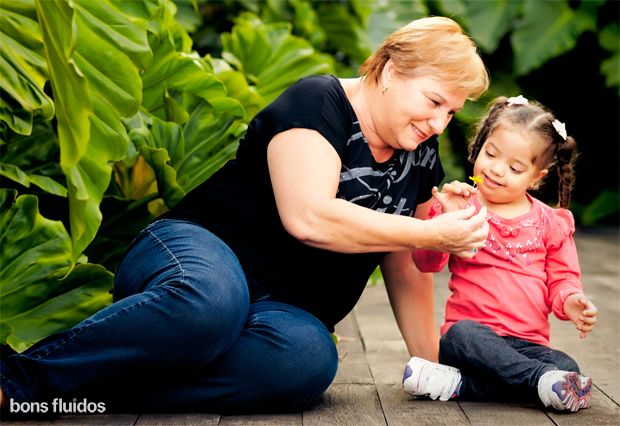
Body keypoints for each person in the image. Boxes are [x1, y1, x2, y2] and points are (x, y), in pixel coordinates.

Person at [0, 17, 490, 414]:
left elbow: (405, 261)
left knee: (306, 362)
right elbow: (309, 217)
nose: (437, 123)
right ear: (387, 72)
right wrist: (429, 231)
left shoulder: (420, 156)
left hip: (282, 312)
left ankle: (85, 392)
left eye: (451, 112)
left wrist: (430, 364)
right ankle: (16, 382)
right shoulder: (319, 100)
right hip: (200, 254)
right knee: (209, 304)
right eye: (433, 101)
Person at [401, 96, 598, 412]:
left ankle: (460, 384)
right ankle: (539, 381)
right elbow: (426, 264)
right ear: (480, 145)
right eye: (490, 153)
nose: (495, 169)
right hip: (471, 340)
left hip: (528, 346)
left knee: (566, 363)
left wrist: (571, 301)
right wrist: (441, 222)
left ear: (537, 176)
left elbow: (563, 279)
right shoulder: (464, 208)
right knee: (462, 334)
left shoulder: (551, 222)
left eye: (515, 167)